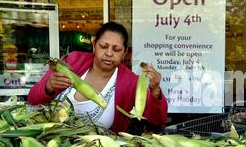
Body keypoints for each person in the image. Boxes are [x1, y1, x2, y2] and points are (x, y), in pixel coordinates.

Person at [28, 21, 168, 134]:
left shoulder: (130, 82)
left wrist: (155, 90)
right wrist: (49, 87)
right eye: (103, 46)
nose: (109, 53)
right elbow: (33, 98)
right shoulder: (72, 61)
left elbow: (158, 120)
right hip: (51, 144)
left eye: (116, 49)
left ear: (124, 52)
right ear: (94, 45)